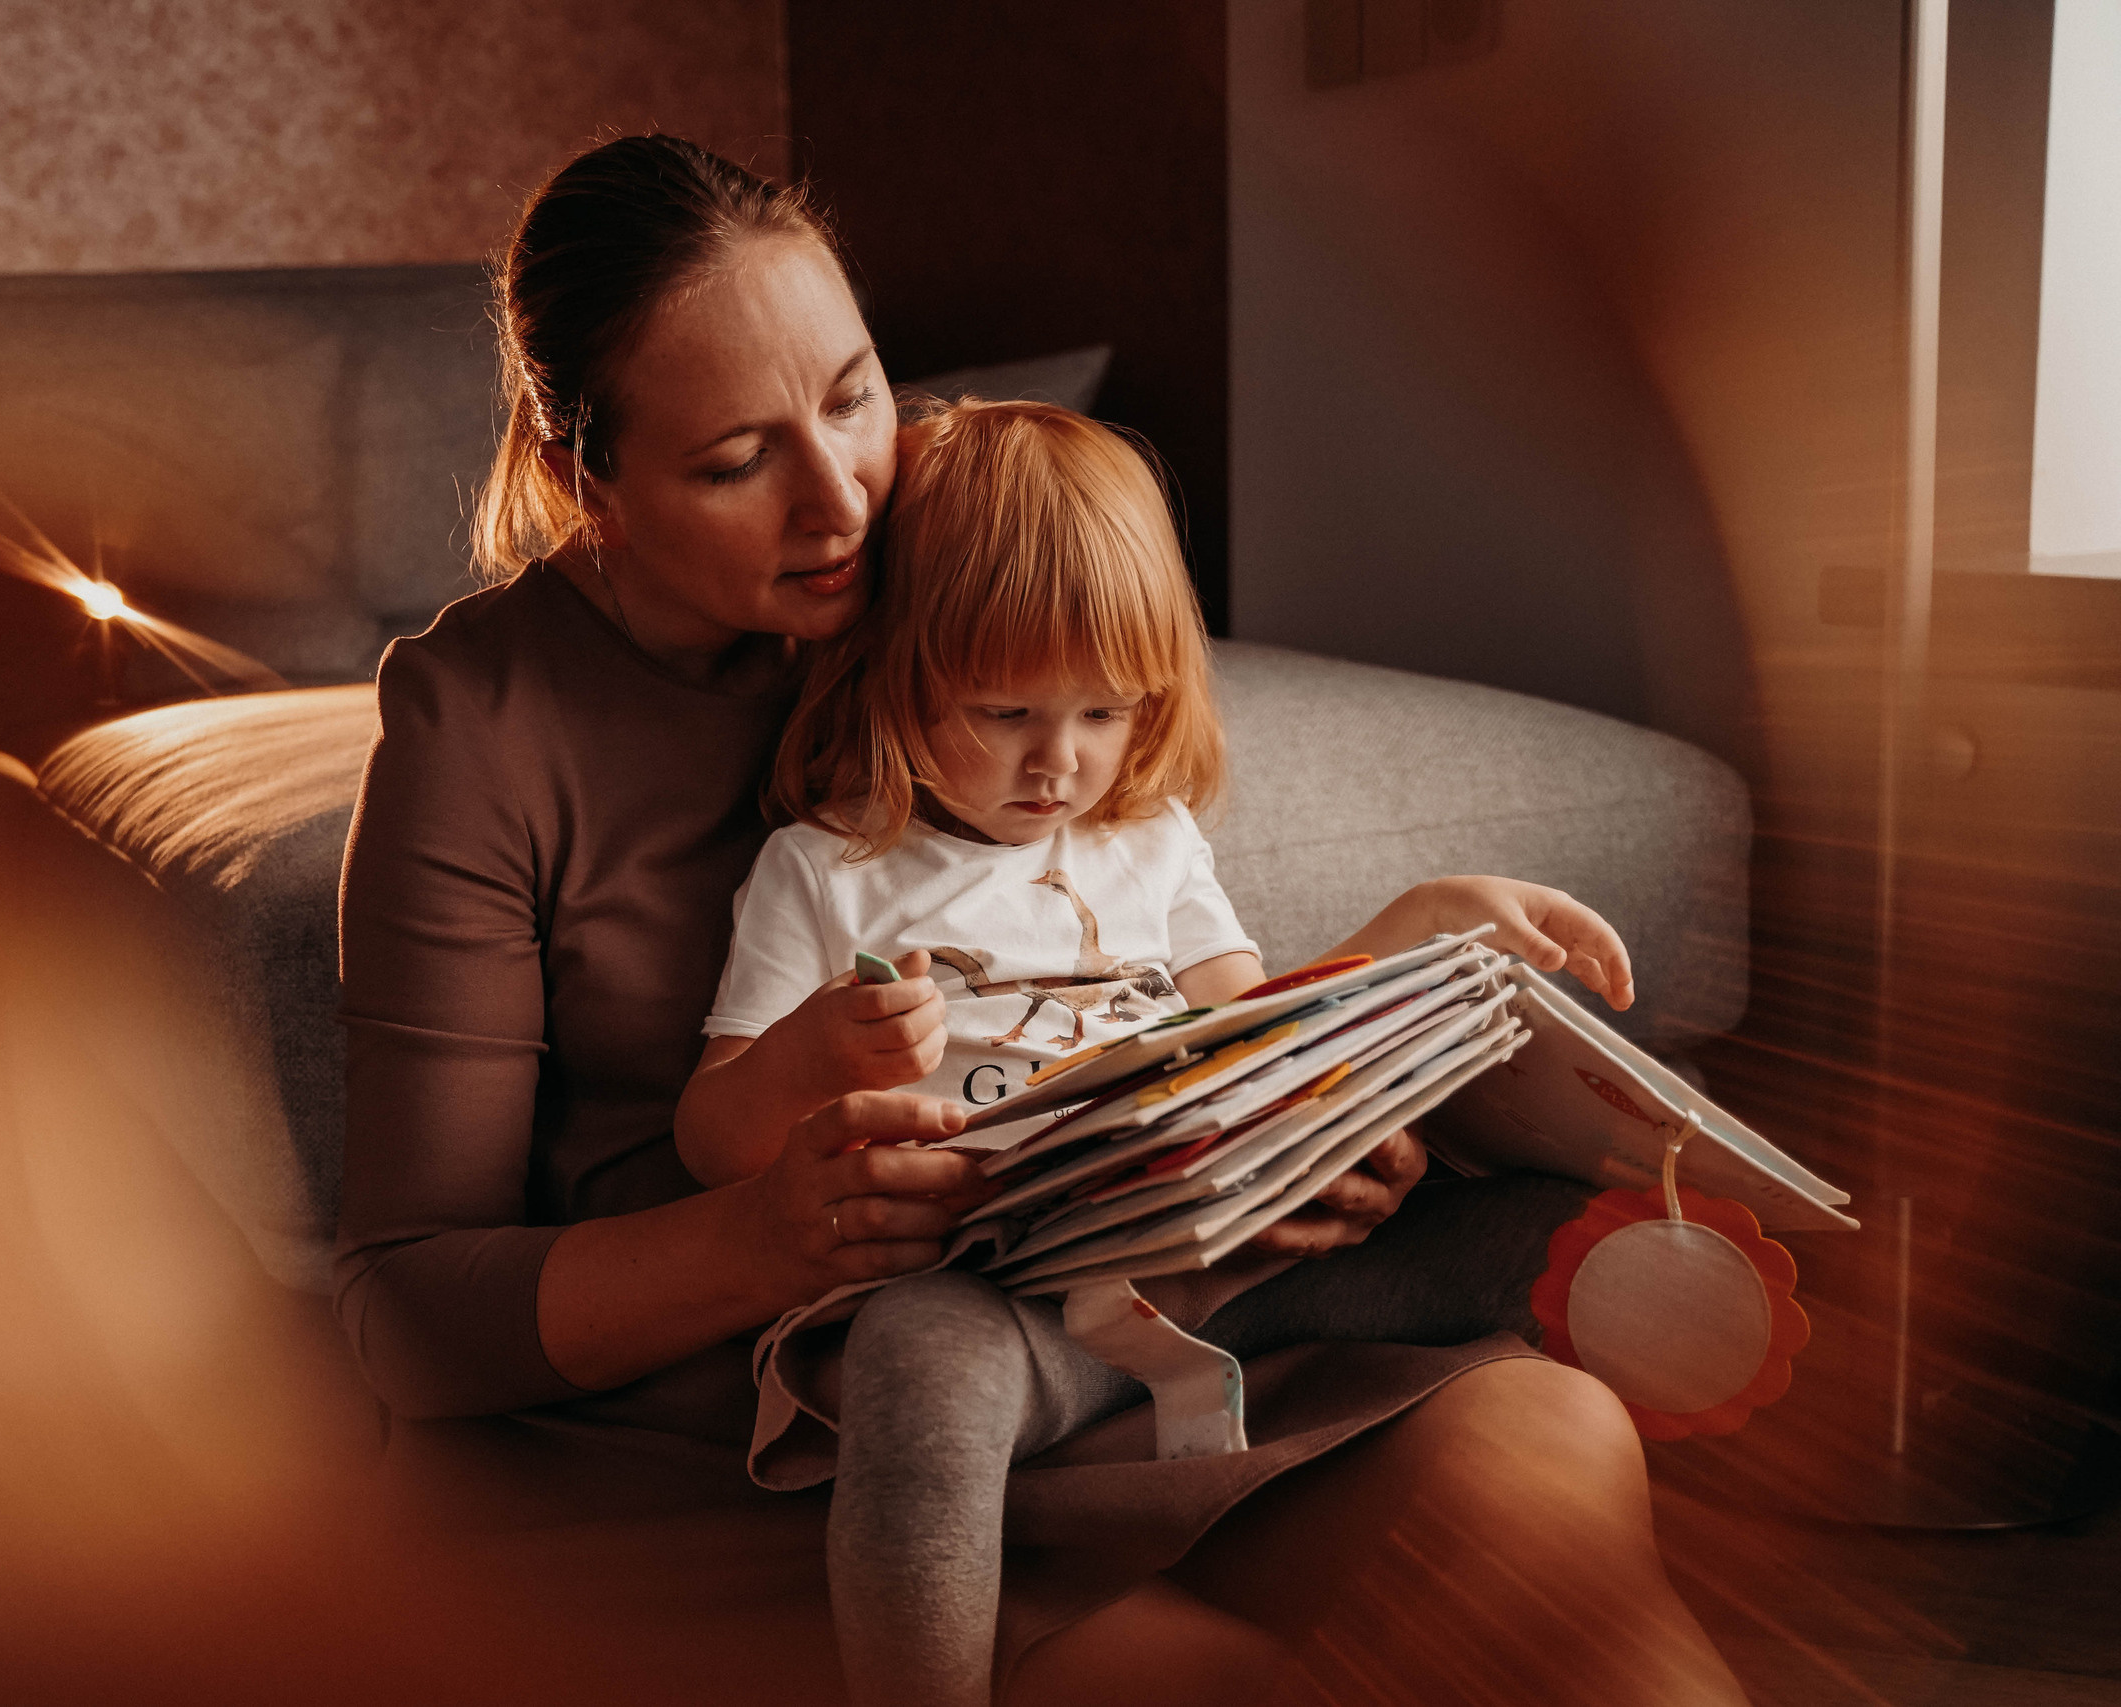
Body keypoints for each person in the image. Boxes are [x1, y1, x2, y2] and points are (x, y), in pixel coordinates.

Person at [335, 132, 1748, 1705]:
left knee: (1550, 1455)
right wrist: (760, 1236)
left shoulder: (946, 540)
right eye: (735, 462)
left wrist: (1297, 1091)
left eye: (857, 394)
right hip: (784, 1430)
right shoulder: (480, 726)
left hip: (1140, 1328)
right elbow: (408, 1316)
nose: (839, 503)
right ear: (581, 472)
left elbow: (1162, 929)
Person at [675, 397, 1646, 1707]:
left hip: (1220, 1258)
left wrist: (1400, 966)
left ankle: (1697, 1325)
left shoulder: (1155, 843)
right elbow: (711, 1137)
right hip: (995, 1291)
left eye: (1103, 713)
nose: (1060, 763)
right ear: (894, 671)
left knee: (1540, 1225)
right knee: (913, 1374)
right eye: (1005, 709)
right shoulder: (827, 871)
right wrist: (808, 1060)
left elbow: (1257, 1031)